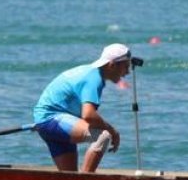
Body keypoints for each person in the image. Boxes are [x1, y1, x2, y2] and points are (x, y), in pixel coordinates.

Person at [33, 43, 135, 172]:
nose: (127, 72)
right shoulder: (93, 78)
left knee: (70, 178)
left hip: (47, 122)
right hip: (53, 120)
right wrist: (113, 131)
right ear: (112, 65)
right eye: (126, 67)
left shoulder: (90, 72)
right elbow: (88, 115)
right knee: (103, 136)